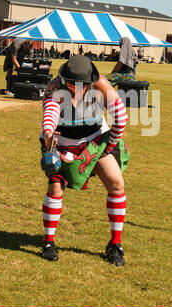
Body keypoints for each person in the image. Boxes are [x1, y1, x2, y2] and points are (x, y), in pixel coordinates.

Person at [40, 55, 130, 266]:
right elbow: (50, 114)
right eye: (71, 84)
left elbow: (120, 116)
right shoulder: (55, 88)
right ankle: (48, 242)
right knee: (55, 188)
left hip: (95, 139)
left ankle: (115, 244)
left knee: (116, 184)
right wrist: (47, 134)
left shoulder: (102, 85)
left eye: (82, 85)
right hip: (62, 141)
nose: (77, 88)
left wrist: (109, 145)